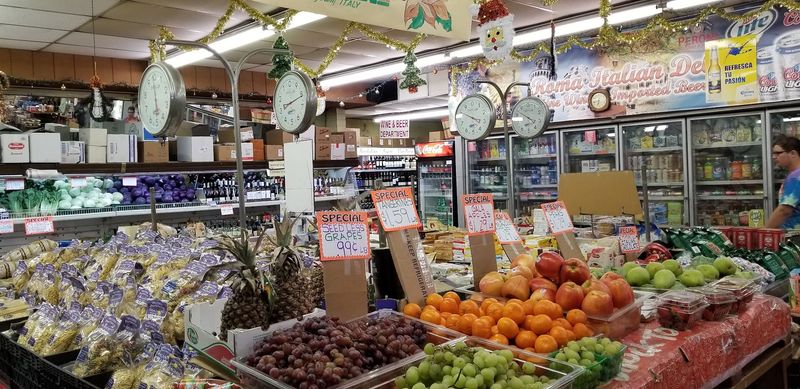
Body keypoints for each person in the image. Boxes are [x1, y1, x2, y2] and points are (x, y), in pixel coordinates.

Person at [766, 135, 800, 230]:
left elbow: (784, 210)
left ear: (793, 153)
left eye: (778, 153)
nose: (774, 157)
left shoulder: (796, 177)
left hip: (794, 237)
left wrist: (766, 230)